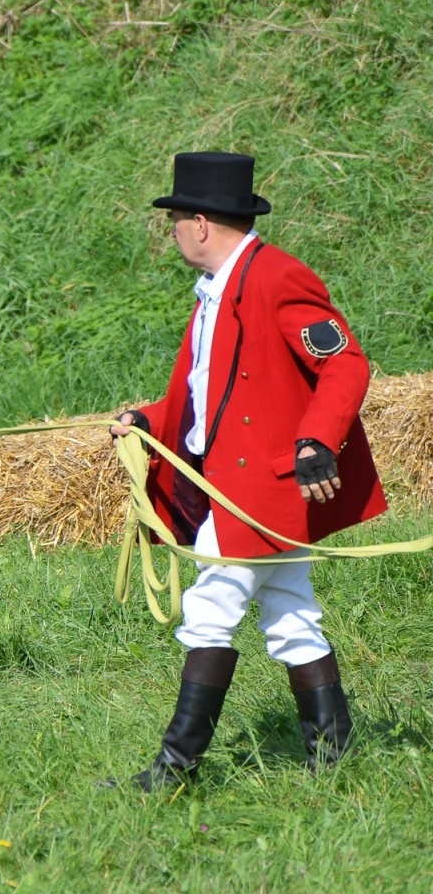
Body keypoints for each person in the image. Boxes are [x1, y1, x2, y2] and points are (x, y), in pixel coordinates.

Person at [108, 151, 386, 790]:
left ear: (200, 224)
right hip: (237, 485)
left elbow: (344, 363)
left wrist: (316, 441)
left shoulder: (276, 277)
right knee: (290, 615)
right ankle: (333, 758)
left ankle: (175, 769)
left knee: (208, 611)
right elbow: (213, 391)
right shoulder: (219, 289)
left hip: (259, 489)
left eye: (176, 219)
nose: (173, 230)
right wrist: (151, 420)